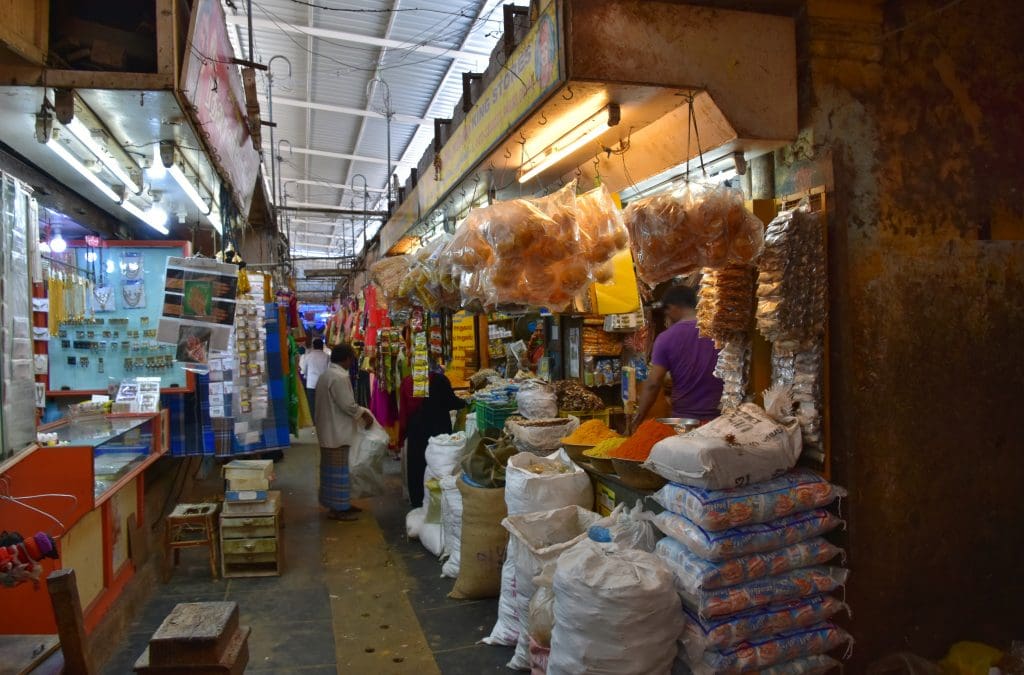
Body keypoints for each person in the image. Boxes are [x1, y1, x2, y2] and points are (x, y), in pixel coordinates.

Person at [631, 285, 723, 429]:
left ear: (673, 307)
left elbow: (653, 383)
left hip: (685, 421)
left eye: (666, 311)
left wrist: (638, 418)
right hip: (721, 419)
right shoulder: (719, 332)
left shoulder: (666, 338)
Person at [315, 343, 375, 521]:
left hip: (329, 430)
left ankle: (340, 505)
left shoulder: (327, 374)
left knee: (332, 471)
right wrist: (364, 415)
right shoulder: (339, 377)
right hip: (336, 433)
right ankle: (339, 509)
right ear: (347, 359)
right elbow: (347, 404)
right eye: (352, 358)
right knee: (339, 472)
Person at [400, 360, 468, 507]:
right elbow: (451, 402)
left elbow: (404, 412)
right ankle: (437, 500)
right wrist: (466, 402)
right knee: (438, 463)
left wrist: (403, 434)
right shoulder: (439, 380)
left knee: (417, 464)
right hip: (437, 429)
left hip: (416, 431)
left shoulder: (407, 382)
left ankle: (418, 501)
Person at [303, 338, 331, 424]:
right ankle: (322, 421)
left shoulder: (308, 356)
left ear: (313, 346)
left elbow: (304, 370)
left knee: (312, 404)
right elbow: (329, 370)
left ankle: (313, 422)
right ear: (322, 346)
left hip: (311, 384)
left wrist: (306, 376)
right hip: (323, 384)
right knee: (322, 404)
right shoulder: (326, 357)